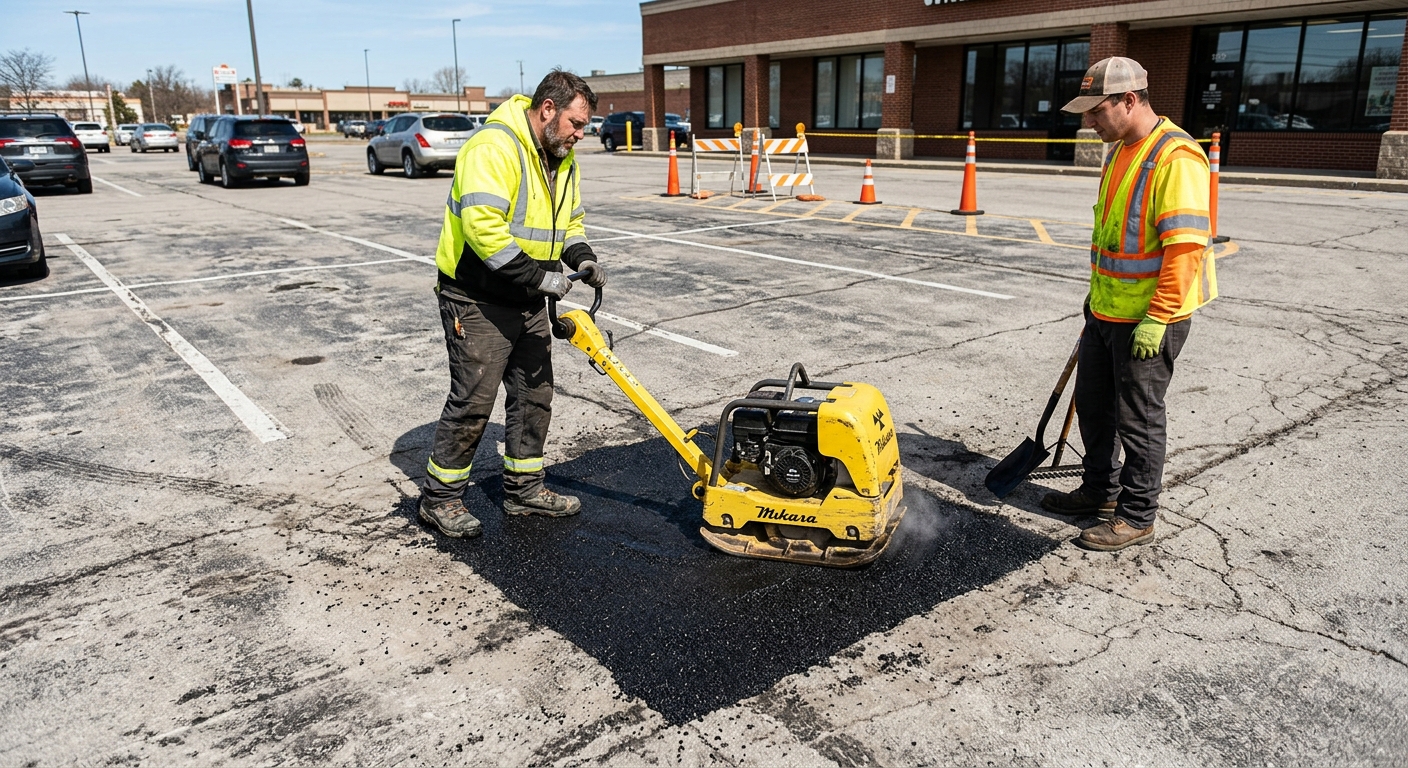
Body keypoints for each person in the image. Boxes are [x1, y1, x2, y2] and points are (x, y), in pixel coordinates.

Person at [419, 69, 606, 539]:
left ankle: (524, 490)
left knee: (534, 394)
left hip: (527, 298)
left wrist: (582, 258)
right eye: (575, 123)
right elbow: (485, 232)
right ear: (547, 109)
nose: (580, 135)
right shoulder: (493, 148)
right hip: (477, 297)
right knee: (474, 401)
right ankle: (440, 499)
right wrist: (542, 278)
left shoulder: (561, 158)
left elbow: (570, 222)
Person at [1041, 57, 1217, 551]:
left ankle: (1137, 515)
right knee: (1096, 409)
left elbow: (1185, 248)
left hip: (1148, 318)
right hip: (1106, 310)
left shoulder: (1175, 156)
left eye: (1096, 112)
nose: (1089, 122)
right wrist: (1094, 300)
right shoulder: (1119, 151)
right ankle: (1100, 490)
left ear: (1129, 101)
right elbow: (1115, 235)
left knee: (1137, 418)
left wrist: (1157, 317)